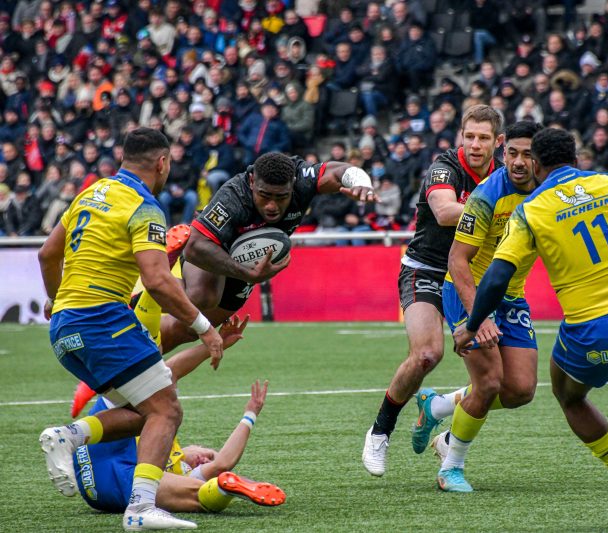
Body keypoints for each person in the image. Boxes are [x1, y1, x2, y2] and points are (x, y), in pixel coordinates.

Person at [453, 128, 608, 528]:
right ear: (578, 157)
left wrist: (472, 325)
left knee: (569, 397)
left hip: (588, 331)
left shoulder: (531, 210)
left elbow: (497, 277)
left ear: (536, 164)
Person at [37, 128, 224, 531]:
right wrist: (205, 328)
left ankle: (69, 436)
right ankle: (140, 509)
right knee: (167, 408)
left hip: (65, 327)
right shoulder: (145, 206)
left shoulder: (90, 192)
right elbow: (157, 280)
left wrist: (57, 299)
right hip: (102, 320)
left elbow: (47, 253)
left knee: (144, 412)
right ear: (162, 162)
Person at [362, 104, 504, 477]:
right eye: (469, 136)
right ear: (460, 135)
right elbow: (444, 212)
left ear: (498, 142)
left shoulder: (504, 175)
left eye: (483, 138)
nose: (474, 144)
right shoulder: (444, 167)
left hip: (471, 277)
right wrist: (502, 211)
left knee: (506, 384)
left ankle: (438, 408)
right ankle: (380, 430)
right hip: (425, 269)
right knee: (427, 354)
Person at [419, 120, 543, 492]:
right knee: (488, 383)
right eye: (512, 154)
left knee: (520, 390)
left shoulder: (549, 193)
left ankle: (440, 408)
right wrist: (479, 316)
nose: (518, 162)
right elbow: (457, 261)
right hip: (467, 291)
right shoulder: (485, 196)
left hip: (511, 295)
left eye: (527, 154)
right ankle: (450, 467)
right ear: (504, 152)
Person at [156, 152, 376, 354]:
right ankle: (154, 286)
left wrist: (362, 183)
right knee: (203, 297)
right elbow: (196, 247)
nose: (272, 205)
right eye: (265, 195)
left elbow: (338, 171)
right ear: (252, 182)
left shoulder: (303, 180)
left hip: (246, 264)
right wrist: (246, 273)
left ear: (293, 185)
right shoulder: (234, 195)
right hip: (214, 246)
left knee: (188, 331)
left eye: (281, 197)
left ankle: (136, 369)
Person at [72, 316, 286, 517]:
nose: (203, 459)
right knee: (154, 381)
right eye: (208, 453)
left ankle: (225, 489)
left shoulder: (180, 472)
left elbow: (222, 463)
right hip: (109, 444)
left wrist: (250, 416)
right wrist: (210, 346)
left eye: (204, 463)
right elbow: (170, 371)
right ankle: (94, 389)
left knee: (201, 495)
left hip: (109, 487)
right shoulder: (164, 437)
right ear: (195, 444)